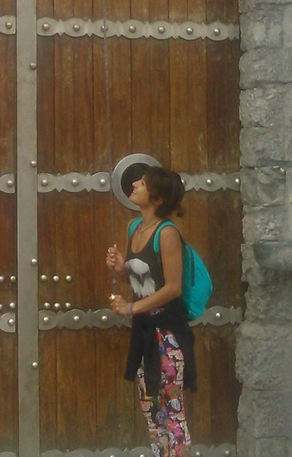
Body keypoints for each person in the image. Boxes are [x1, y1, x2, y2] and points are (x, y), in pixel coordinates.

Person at [105, 166, 196, 457]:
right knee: (152, 412)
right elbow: (143, 282)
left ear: (156, 199)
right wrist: (122, 268)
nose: (134, 184)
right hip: (144, 336)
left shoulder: (167, 233)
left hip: (168, 337)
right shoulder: (134, 228)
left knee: (172, 412)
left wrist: (131, 308)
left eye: (142, 184)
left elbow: (172, 288)